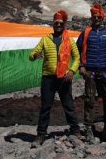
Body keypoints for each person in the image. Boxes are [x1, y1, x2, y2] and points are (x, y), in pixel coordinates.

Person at [29, 10, 81, 148]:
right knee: (46, 106)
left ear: (64, 25)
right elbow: (32, 53)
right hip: (48, 78)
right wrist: (35, 55)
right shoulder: (46, 39)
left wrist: (72, 71)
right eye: (56, 23)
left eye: (61, 23)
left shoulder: (69, 40)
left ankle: (75, 130)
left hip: (64, 78)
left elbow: (77, 57)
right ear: (53, 24)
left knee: (68, 105)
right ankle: (41, 134)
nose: (58, 25)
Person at [77, 3, 106, 141]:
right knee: (89, 101)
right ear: (91, 18)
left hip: (105, 72)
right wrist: (81, 66)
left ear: (102, 18)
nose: (96, 19)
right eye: (94, 17)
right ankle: (88, 129)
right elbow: (77, 50)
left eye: (98, 17)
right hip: (90, 72)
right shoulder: (86, 33)